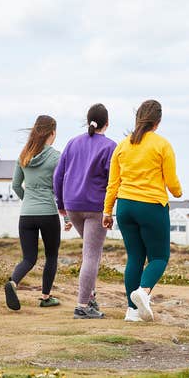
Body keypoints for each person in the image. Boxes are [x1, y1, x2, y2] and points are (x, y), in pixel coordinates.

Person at [103, 99, 182, 322]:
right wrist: (177, 193)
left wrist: (107, 212)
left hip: (125, 206)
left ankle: (132, 311)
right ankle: (144, 291)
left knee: (135, 257)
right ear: (158, 121)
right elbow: (172, 180)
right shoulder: (162, 144)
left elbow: (113, 183)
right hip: (151, 206)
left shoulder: (122, 145)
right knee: (159, 256)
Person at [54, 104, 117, 319]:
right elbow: (113, 180)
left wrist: (60, 203)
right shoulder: (110, 146)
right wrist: (111, 208)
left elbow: (58, 175)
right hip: (95, 207)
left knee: (89, 253)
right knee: (92, 256)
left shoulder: (72, 143)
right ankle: (82, 306)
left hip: (72, 205)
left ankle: (90, 298)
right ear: (107, 123)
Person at [5, 115, 62, 311]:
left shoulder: (23, 155)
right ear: (52, 133)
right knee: (51, 256)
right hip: (48, 213)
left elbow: (15, 186)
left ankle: (13, 282)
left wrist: (28, 200)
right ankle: (46, 297)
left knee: (28, 258)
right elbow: (60, 187)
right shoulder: (56, 157)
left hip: (26, 215)